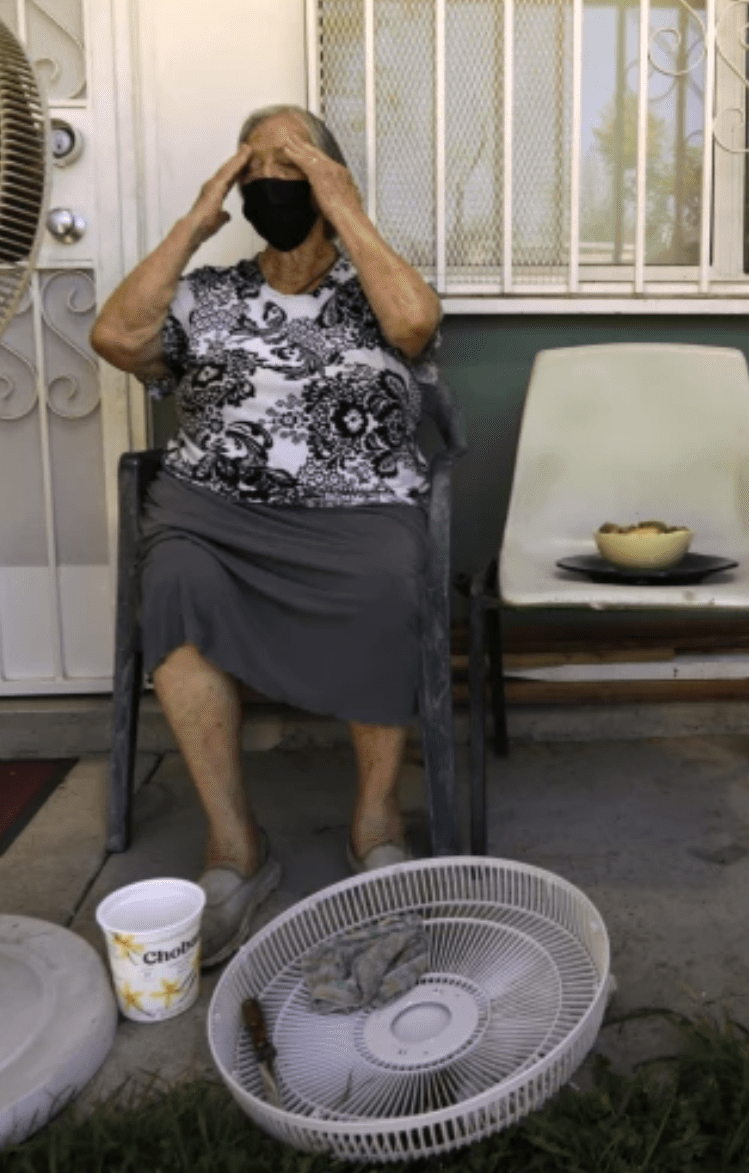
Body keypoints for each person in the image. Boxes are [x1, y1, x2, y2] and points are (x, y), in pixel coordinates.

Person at [89, 105, 443, 966]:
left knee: (387, 579)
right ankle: (235, 848)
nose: (271, 185)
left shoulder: (377, 291)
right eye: (256, 172)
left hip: (357, 510)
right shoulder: (208, 297)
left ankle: (376, 822)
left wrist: (343, 204)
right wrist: (198, 215)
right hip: (215, 513)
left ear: (331, 179)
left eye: (295, 167)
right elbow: (116, 336)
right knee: (172, 579)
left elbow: (416, 328)